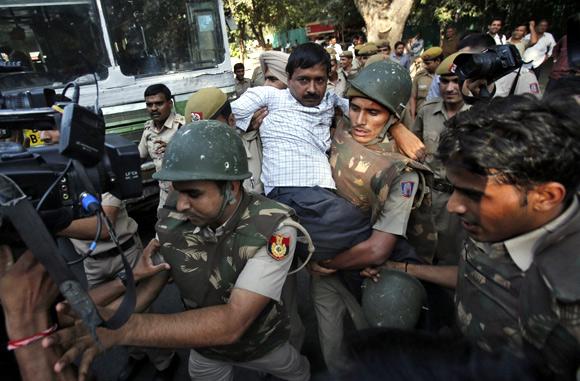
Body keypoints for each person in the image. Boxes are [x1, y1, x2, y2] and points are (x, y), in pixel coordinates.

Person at [46, 121, 311, 381]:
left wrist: (126, 329)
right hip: (206, 348)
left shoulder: (275, 228)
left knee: (295, 372)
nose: (181, 204)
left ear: (231, 188)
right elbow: (153, 284)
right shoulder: (175, 215)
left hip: (261, 344)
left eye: (193, 194)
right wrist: (105, 317)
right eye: (178, 191)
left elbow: (233, 322)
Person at [438, 94, 580, 380]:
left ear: (546, 196)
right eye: (452, 188)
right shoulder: (492, 222)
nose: (453, 206)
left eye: (473, 195)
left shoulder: (570, 299)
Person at [311, 60, 436, 374]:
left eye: (374, 113)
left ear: (394, 114)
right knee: (332, 346)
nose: (360, 121)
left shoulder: (403, 174)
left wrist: (326, 264)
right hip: (326, 267)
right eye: (355, 108)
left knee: (374, 351)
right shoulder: (340, 124)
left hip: (364, 272)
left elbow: (379, 249)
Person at [412, 59, 470, 267]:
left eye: (456, 81)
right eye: (444, 82)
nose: (450, 88)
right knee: (423, 250)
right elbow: (413, 144)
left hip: (458, 198)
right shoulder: (427, 111)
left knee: (455, 255)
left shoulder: (477, 113)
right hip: (427, 194)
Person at [138, 84, 186, 212]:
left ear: (170, 104)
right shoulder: (148, 130)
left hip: (185, 192)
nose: (153, 108)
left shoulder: (182, 127)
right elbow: (139, 158)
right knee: (161, 230)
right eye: (149, 105)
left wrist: (174, 150)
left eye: (159, 104)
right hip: (164, 194)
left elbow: (199, 159)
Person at [408, 47, 443, 121]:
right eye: (424, 63)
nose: (424, 66)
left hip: (438, 118)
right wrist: (413, 117)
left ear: (438, 61)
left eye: (428, 63)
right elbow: (413, 97)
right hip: (420, 116)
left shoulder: (446, 77)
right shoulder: (419, 76)